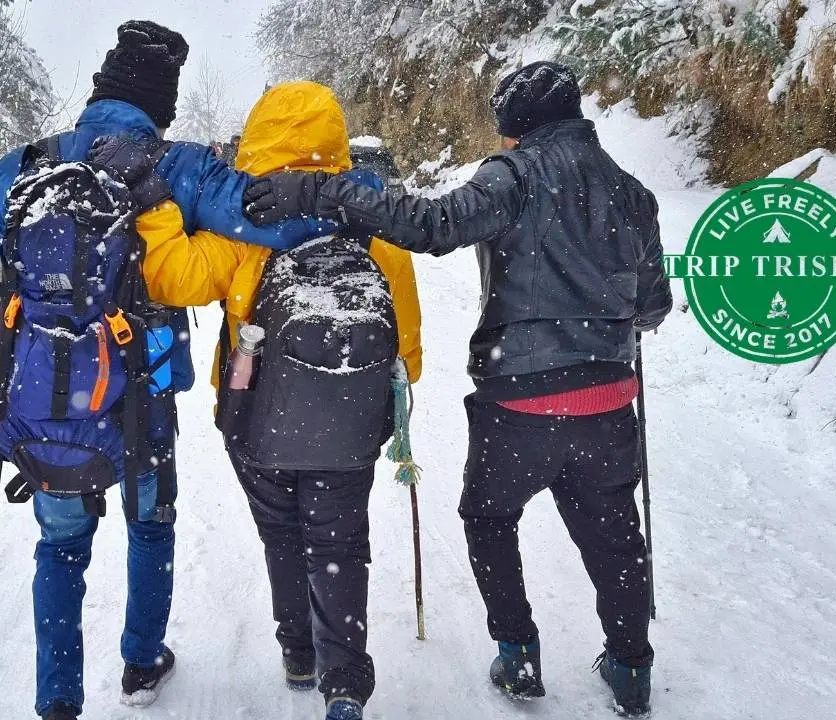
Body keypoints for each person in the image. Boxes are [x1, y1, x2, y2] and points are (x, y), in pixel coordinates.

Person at [243, 62, 672, 717]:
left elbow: (431, 226)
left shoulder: (513, 176)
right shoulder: (633, 193)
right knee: (616, 534)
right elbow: (652, 306)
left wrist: (324, 194)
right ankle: (631, 667)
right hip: (609, 399)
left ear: (516, 129)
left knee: (490, 518)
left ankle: (518, 652)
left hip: (519, 399)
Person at [0, 21, 341, 720]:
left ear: (99, 88)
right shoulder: (176, 167)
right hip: (137, 401)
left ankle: (58, 698)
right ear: (163, 104)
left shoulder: (28, 164)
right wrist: (348, 198)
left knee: (60, 545)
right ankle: (141, 662)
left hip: (43, 404)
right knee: (151, 526)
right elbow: (272, 224)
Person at [91, 81, 422, 720]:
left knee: (281, 534)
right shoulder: (370, 220)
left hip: (257, 416)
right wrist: (389, 394)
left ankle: (298, 651)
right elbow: (404, 337)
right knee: (338, 542)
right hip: (349, 423)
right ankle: (345, 683)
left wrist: (155, 203)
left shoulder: (249, 222)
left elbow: (172, 275)